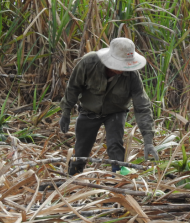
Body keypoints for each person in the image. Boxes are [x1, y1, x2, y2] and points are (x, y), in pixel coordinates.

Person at [59, 38, 159, 175]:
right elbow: (73, 88)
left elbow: (142, 106)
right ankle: (73, 177)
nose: (122, 68)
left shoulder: (132, 75)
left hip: (116, 112)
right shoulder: (89, 63)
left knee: (115, 145)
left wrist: (148, 141)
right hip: (89, 111)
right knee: (81, 148)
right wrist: (66, 112)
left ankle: (118, 178)